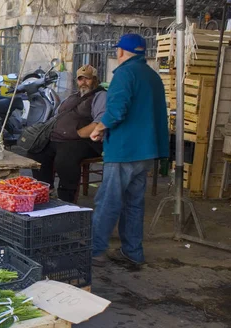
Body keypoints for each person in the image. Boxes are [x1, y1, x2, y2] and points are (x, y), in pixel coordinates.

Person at [89, 34, 169, 266]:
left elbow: (116, 110)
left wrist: (99, 128)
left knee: (108, 200)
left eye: (117, 51)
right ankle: (133, 252)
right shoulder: (153, 76)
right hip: (146, 150)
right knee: (134, 202)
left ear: (121, 52)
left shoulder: (124, 74)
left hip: (124, 150)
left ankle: (95, 250)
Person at [32, 64, 106, 203]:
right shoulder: (73, 96)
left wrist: (77, 134)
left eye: (87, 79)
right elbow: (57, 114)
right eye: (80, 79)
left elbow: (99, 122)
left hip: (85, 141)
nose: (83, 82)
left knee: (65, 158)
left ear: (95, 80)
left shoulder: (100, 96)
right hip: (60, 138)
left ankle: (66, 198)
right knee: (36, 151)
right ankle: (46, 190)